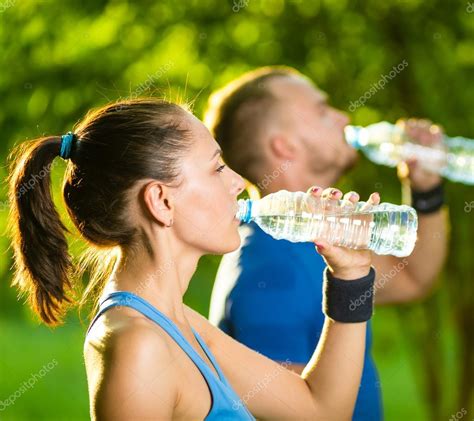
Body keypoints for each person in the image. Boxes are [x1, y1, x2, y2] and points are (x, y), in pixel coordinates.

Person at [9, 98, 383, 420]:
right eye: (218, 167)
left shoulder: (180, 322)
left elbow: (321, 410)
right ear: (161, 201)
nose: (238, 182)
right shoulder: (138, 347)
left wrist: (350, 274)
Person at [205, 66, 448, 420]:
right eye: (322, 111)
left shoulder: (317, 239)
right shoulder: (269, 269)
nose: (342, 118)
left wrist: (426, 191)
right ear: (284, 145)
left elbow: (414, 278)